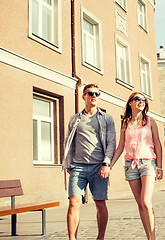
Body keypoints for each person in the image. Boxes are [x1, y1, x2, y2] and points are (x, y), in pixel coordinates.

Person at [62, 83, 116, 240]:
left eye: (97, 94)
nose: (94, 96)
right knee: (74, 202)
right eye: (90, 93)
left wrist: (107, 164)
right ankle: (72, 238)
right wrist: (68, 162)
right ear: (83, 96)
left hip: (99, 167)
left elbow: (111, 142)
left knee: (100, 202)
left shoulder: (106, 118)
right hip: (77, 166)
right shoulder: (75, 119)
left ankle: (100, 237)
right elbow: (68, 141)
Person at [110, 92, 163, 240]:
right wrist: (110, 165)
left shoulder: (150, 121)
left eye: (143, 99)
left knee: (146, 201)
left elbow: (157, 143)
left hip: (148, 163)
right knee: (140, 204)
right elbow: (120, 146)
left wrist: (159, 166)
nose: (141, 101)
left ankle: (153, 238)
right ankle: (149, 236)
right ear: (131, 103)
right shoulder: (125, 123)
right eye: (137, 99)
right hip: (130, 165)